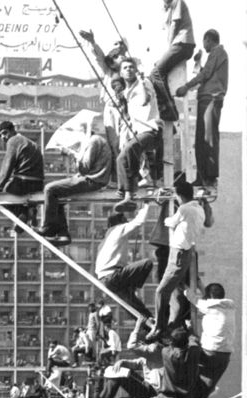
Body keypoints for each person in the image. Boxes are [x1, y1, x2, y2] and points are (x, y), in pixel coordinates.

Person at [37, 118, 112, 242]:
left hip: (93, 180)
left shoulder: (93, 142)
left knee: (50, 189)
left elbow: (85, 168)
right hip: (96, 178)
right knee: (57, 196)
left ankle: (48, 227)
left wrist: (73, 154)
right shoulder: (97, 140)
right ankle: (63, 233)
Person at [151, 179, 206, 336]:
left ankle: (160, 326)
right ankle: (180, 320)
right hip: (185, 251)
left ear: (180, 195)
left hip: (178, 253)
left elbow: (169, 222)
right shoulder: (198, 208)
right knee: (181, 286)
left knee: (162, 290)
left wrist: (171, 212)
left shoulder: (183, 209)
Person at [175, 30, 228, 188]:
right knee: (200, 140)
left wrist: (186, 86)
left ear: (208, 40)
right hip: (206, 98)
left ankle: (210, 177)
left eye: (204, 42)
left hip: (211, 98)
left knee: (207, 138)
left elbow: (205, 74)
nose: (203, 45)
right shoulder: (217, 54)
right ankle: (202, 175)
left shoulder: (218, 52)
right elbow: (207, 73)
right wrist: (198, 62)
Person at [94, 203, 154, 319]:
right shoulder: (118, 229)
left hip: (105, 280)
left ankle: (148, 325)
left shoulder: (104, 241)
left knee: (134, 307)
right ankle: (132, 287)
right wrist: (146, 205)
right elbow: (138, 222)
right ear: (120, 222)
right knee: (147, 263)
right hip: (113, 276)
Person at [116, 59, 161, 201]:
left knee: (130, 148)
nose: (129, 69)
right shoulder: (126, 93)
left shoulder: (144, 83)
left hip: (152, 131)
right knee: (121, 158)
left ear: (135, 70)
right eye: (125, 68)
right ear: (121, 73)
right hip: (139, 133)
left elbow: (145, 100)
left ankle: (129, 192)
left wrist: (142, 82)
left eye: (131, 67)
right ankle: (124, 192)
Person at [0, 121, 43, 225]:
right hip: (38, 184)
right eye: (0, 136)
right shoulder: (31, 143)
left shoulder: (13, 141)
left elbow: (7, 164)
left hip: (23, 183)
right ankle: (28, 212)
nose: (3, 137)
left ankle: (23, 215)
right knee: (18, 197)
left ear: (13, 130)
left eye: (5, 133)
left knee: (1, 196)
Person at [150, 0, 195, 121]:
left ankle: (169, 110)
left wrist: (168, 49)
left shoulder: (177, 1)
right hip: (181, 44)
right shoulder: (168, 7)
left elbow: (174, 26)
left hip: (182, 43)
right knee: (158, 70)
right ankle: (167, 108)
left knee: (156, 73)